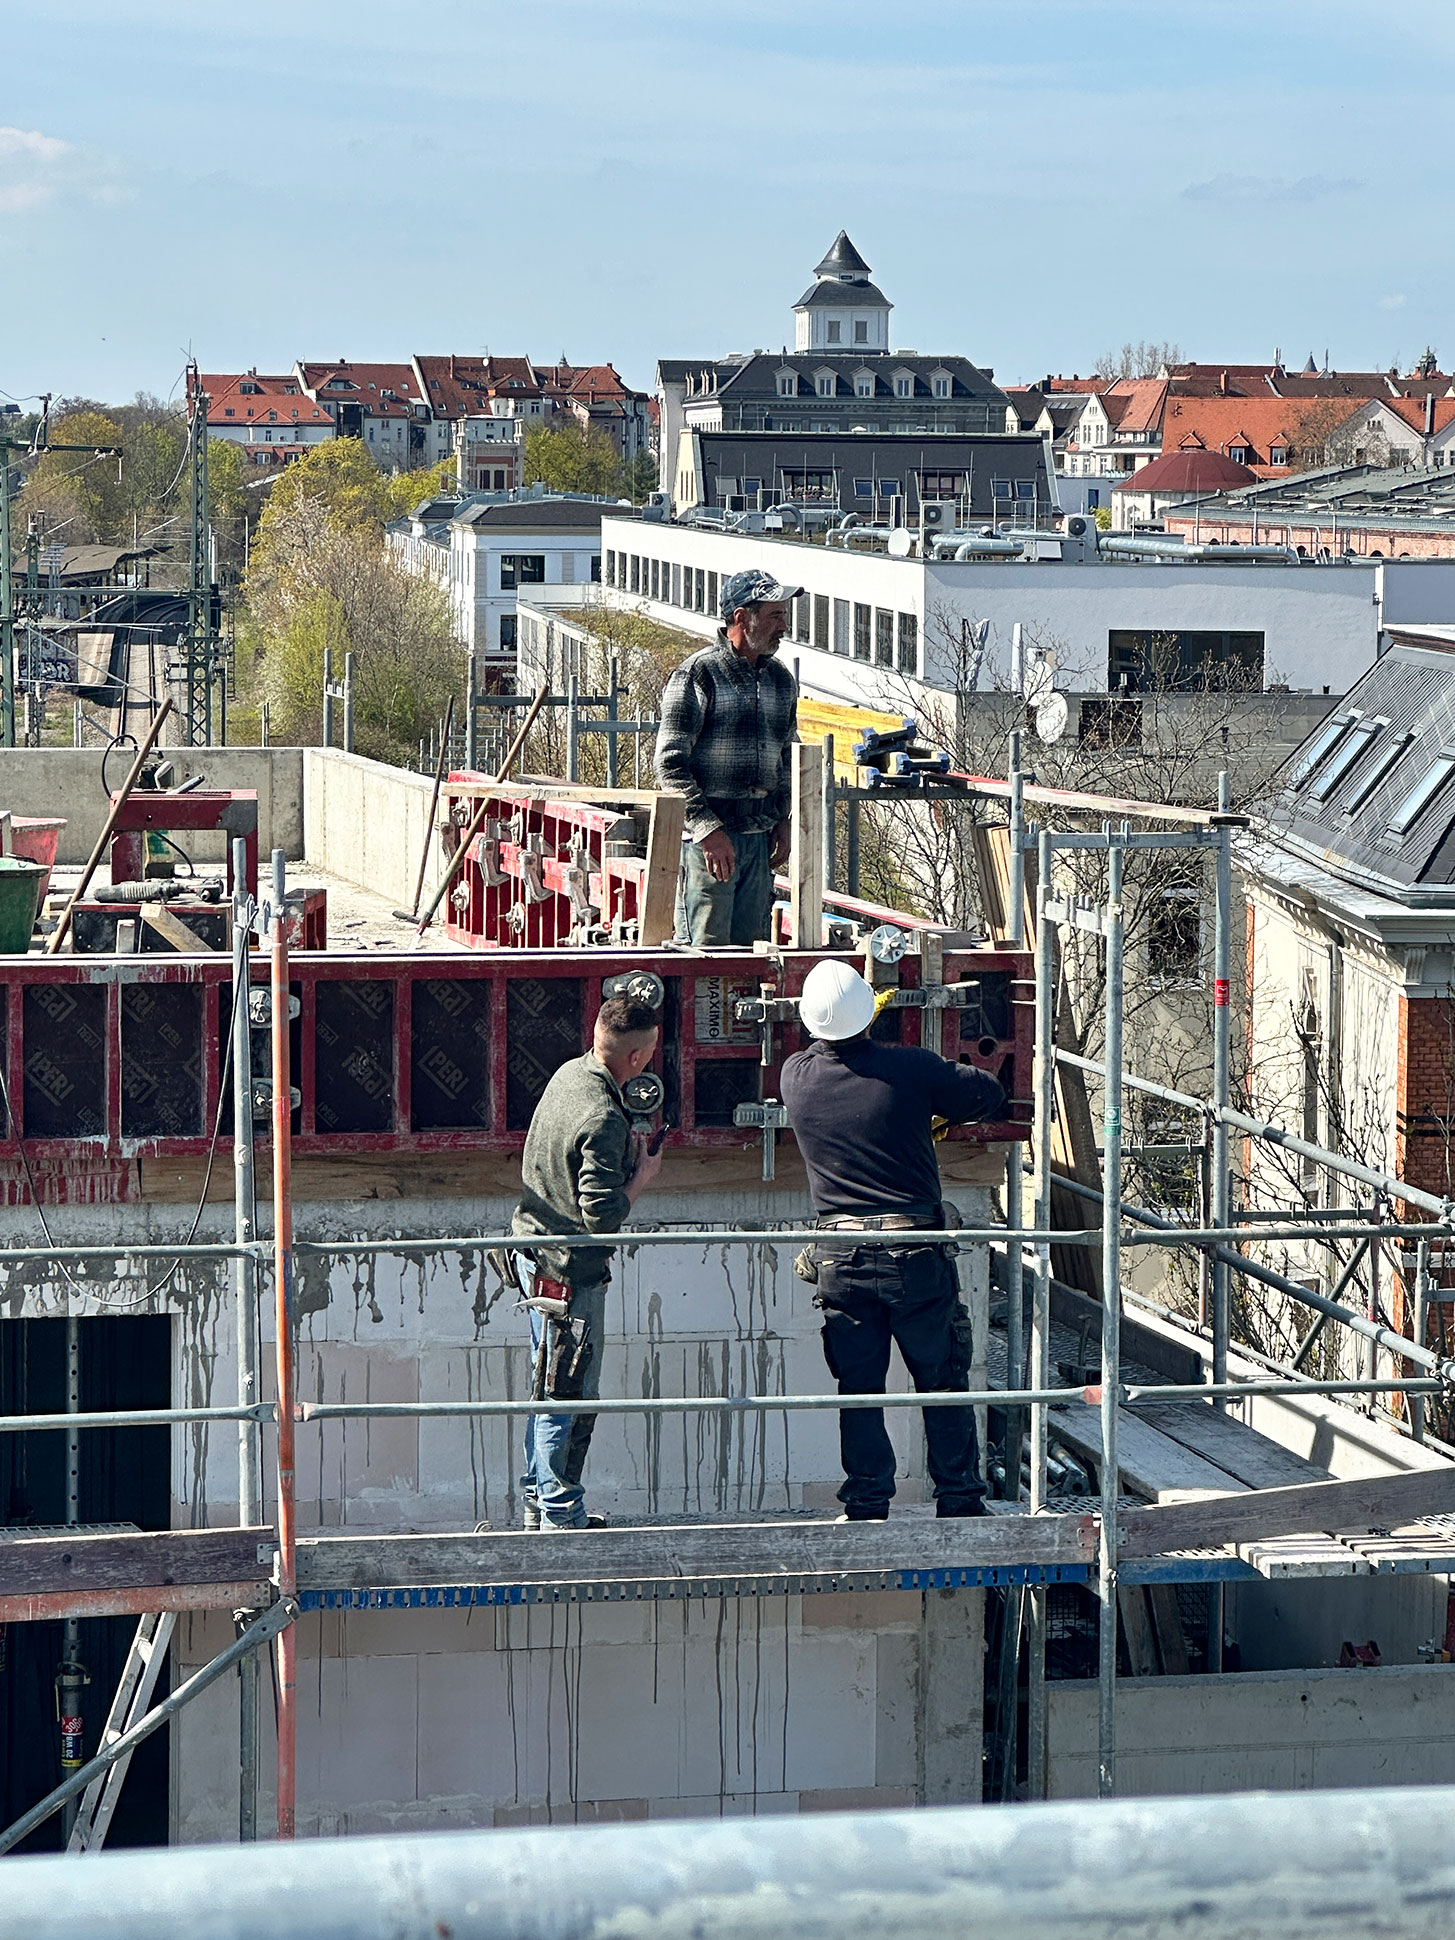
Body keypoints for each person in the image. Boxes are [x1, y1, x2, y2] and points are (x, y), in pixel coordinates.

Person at [780, 960, 1007, 1522]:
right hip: (914, 1256)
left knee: (860, 1390)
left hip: (842, 1260)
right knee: (942, 1381)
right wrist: (934, 1080)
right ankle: (959, 1501)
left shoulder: (796, 1078)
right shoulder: (908, 1069)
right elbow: (987, 1093)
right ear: (869, 1012)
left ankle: (866, 1504)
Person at [510, 996, 664, 1530]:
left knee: (547, 1382)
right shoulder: (604, 1115)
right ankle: (558, 1509)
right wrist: (641, 1176)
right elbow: (600, 1215)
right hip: (568, 1274)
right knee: (568, 1388)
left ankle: (537, 1499)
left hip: (533, 1255)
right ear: (639, 1057)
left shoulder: (568, 1075)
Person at [654, 566, 803, 947]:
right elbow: (669, 765)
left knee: (750, 958)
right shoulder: (698, 675)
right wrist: (708, 830)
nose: (783, 626)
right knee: (705, 954)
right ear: (742, 618)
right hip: (708, 846)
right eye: (774, 616)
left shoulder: (780, 680)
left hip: (759, 840)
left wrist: (785, 819)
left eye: (783, 615)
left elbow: (787, 757)